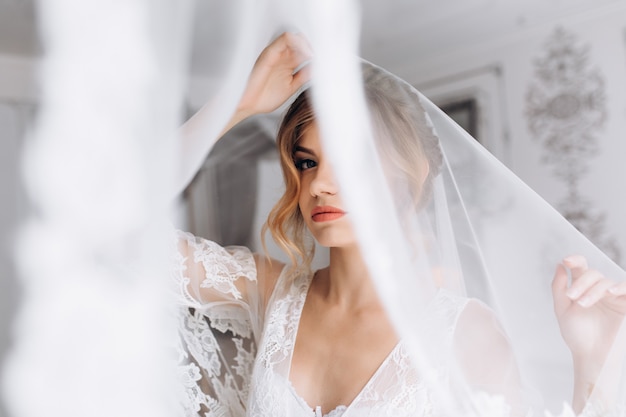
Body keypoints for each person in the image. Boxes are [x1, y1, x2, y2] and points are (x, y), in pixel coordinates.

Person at [173, 32, 626, 417]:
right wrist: (234, 106)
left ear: (411, 174)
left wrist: (593, 358)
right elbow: (117, 234)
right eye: (306, 162)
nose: (319, 185)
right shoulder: (268, 292)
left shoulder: (463, 332)